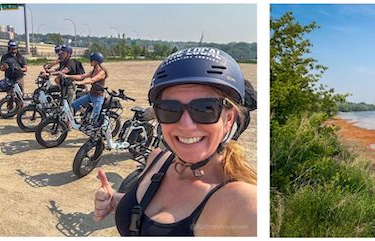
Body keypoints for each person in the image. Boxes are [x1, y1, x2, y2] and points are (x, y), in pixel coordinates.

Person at [92, 47, 256, 236]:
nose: (186, 125)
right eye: (170, 110)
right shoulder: (157, 160)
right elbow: (147, 214)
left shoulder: (242, 201)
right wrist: (116, 201)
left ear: (228, 120)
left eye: (205, 109)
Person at [59, 52, 108, 128]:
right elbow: (81, 76)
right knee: (74, 104)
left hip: (98, 97)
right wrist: (67, 76)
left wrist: (79, 83)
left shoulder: (102, 72)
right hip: (91, 95)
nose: (90, 62)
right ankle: (86, 113)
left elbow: (92, 80)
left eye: (91, 60)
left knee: (95, 118)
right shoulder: (93, 71)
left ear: (96, 62)